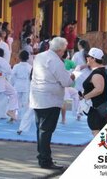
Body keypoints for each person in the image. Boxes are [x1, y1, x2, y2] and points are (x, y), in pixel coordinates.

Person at [30, 37, 74, 170]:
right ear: (60, 50)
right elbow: (66, 82)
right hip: (50, 98)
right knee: (46, 130)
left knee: (41, 129)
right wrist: (72, 77)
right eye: (63, 51)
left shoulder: (39, 56)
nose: (63, 54)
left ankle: (42, 156)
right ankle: (45, 159)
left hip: (37, 96)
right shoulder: (56, 61)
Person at [81, 48, 107, 136]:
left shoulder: (97, 72)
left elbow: (99, 89)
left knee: (97, 132)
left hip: (98, 109)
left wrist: (86, 96)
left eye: (88, 56)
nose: (86, 58)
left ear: (93, 58)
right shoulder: (102, 70)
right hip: (101, 108)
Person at [11, 50, 33, 135]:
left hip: (18, 84)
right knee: (25, 103)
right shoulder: (30, 67)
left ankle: (18, 117)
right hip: (26, 85)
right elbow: (31, 77)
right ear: (28, 58)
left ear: (19, 57)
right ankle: (23, 118)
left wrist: (11, 84)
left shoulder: (16, 66)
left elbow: (12, 76)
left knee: (17, 102)